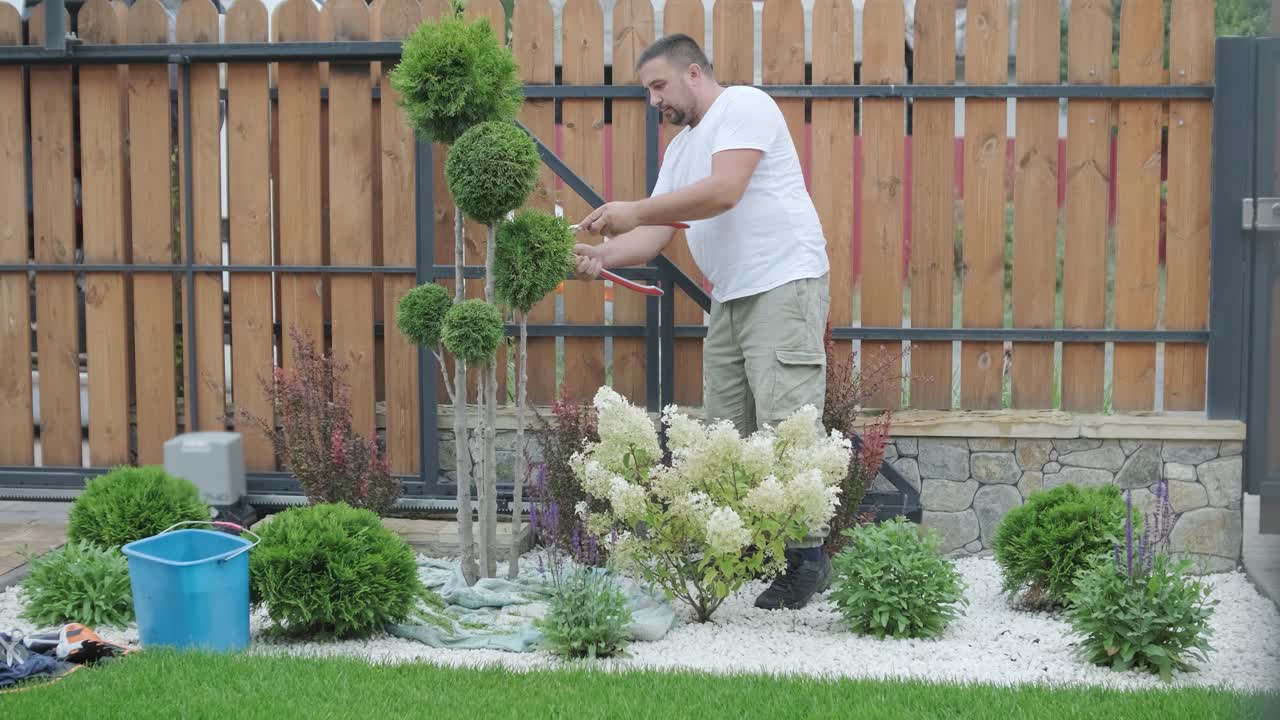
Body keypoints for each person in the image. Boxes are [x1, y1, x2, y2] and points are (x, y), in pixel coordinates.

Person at [573, 33, 833, 611]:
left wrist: (632, 209)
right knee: (725, 433)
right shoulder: (678, 151)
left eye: (658, 86)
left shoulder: (744, 105)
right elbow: (656, 234)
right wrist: (596, 256)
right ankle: (749, 549)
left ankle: (808, 561)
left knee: (786, 422)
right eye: (647, 91)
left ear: (694, 73)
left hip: (783, 281)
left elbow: (724, 192)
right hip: (732, 297)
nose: (653, 101)